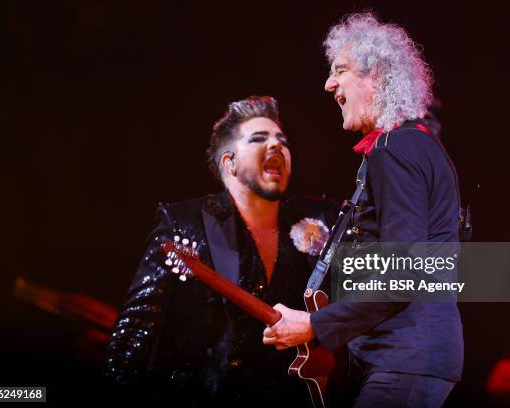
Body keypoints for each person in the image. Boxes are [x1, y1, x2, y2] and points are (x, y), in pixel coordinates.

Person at [262, 13, 464, 407]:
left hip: (402, 357)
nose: (328, 83)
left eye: (341, 71)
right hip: (408, 356)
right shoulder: (413, 146)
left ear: (378, 78)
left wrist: (314, 326)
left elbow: (404, 271)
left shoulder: (397, 149)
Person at [104, 96, 336, 406]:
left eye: (282, 140)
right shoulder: (185, 223)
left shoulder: (318, 219)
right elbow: (134, 332)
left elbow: (385, 285)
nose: (277, 146)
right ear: (229, 163)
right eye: (259, 139)